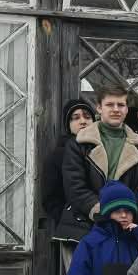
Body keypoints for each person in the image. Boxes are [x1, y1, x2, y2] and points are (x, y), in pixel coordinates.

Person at [61, 83, 138, 228]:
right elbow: (75, 186)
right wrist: (102, 211)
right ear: (99, 108)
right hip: (85, 225)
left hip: (126, 224)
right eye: (110, 104)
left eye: (120, 105)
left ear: (127, 109)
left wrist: (124, 212)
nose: (116, 109)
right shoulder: (79, 143)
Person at [42, 99, 97, 237]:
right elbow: (50, 198)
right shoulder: (57, 156)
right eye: (76, 118)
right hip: (73, 231)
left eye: (87, 116)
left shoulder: (102, 149)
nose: (83, 121)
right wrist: (68, 217)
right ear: (68, 124)